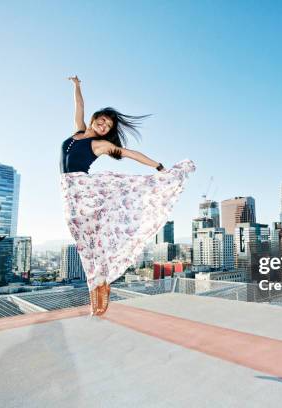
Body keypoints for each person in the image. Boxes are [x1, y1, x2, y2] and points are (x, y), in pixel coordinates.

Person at [60, 75, 195, 316]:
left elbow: (130, 153)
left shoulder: (100, 145)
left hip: (84, 191)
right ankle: (100, 283)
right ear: (94, 119)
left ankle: (100, 289)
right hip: (69, 193)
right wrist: (77, 86)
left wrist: (158, 166)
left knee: (92, 241)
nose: (103, 127)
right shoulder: (78, 131)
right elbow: (78, 106)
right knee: (85, 244)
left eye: (107, 127)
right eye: (101, 121)